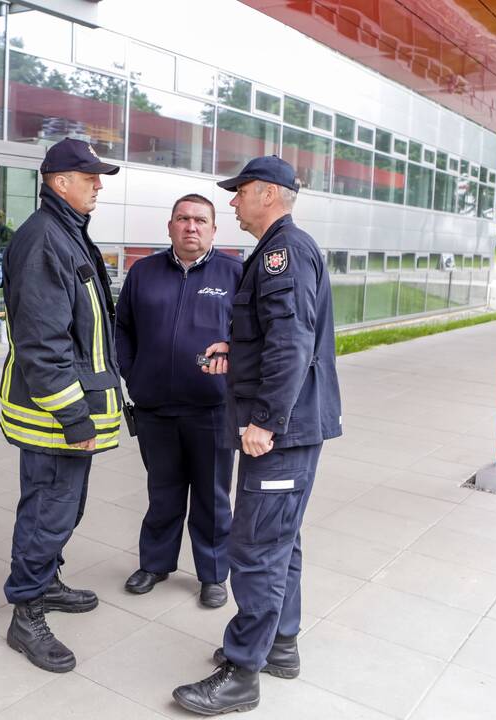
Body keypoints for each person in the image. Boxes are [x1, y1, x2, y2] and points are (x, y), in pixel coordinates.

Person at [172, 156, 342, 715]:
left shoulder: (280, 253)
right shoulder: (282, 250)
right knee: (280, 541)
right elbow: (276, 337)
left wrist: (264, 421)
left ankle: (243, 673)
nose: (232, 201)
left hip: (281, 432)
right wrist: (235, 350)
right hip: (294, 427)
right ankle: (281, 644)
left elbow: (292, 346)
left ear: (268, 193)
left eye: (239, 191)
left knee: (256, 550)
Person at [0, 138, 123, 673]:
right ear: (58, 181)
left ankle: (45, 582)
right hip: (56, 416)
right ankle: (26, 614)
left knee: (62, 508)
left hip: (70, 413)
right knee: (48, 512)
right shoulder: (45, 239)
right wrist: (75, 417)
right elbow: (42, 343)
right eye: (89, 175)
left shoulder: (65, 232)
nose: (98, 184)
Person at [115, 193, 241, 609]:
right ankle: (155, 564)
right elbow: (123, 330)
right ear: (170, 226)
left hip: (213, 410)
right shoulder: (143, 272)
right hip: (155, 410)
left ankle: (212, 574)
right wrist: (134, 376)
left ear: (213, 229)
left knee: (212, 497)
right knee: (163, 493)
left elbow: (250, 338)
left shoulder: (235, 273)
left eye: (200, 220)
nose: (191, 227)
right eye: (183, 219)